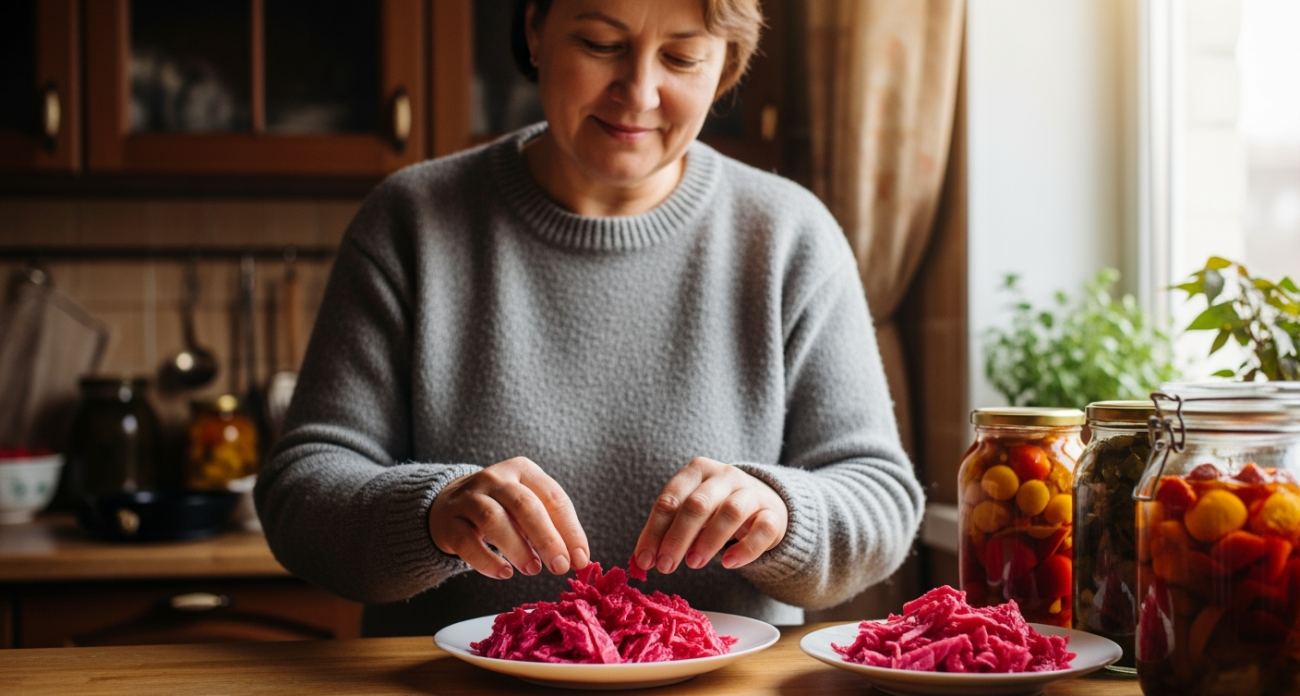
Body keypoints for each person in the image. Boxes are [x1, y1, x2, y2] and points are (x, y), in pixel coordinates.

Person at [255, 0, 925, 636]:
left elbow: (882, 499)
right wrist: (430, 514)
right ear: (535, 32)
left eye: (682, 58)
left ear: (726, 66)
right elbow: (299, 495)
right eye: (601, 44)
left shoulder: (790, 234)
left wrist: (784, 512)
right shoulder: (409, 221)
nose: (638, 93)